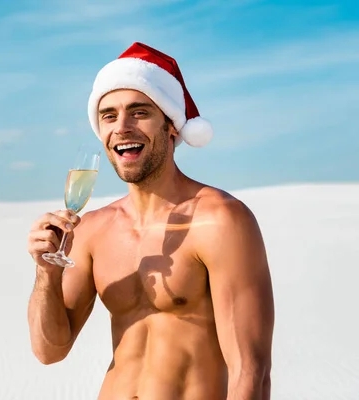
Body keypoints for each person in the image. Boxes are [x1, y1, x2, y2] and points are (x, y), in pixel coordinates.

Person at [27, 42, 275, 400]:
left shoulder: (220, 220)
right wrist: (46, 273)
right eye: (109, 116)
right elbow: (50, 351)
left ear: (171, 127)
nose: (122, 127)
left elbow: (251, 373)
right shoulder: (93, 229)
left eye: (139, 112)